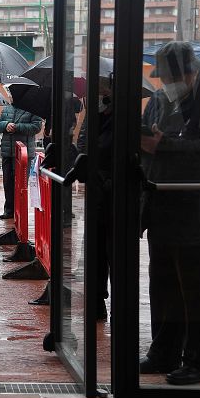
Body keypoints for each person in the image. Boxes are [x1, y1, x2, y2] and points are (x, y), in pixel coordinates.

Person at [138, 41, 200, 385]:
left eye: (170, 76)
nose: (165, 82)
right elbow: (145, 137)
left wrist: (163, 145)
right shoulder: (160, 99)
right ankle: (164, 351)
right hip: (164, 208)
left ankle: (199, 362)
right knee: (164, 285)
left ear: (189, 72)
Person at [76, 75, 115, 320]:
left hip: (113, 194)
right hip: (96, 194)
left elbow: (107, 149)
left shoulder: (120, 118)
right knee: (94, 250)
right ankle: (96, 299)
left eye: (99, 91)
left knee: (112, 250)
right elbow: (82, 144)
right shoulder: (94, 117)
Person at [0, 97, 43, 220]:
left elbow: (36, 127)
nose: (11, 96)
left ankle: (20, 210)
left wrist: (17, 127)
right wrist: (6, 125)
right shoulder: (7, 108)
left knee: (20, 184)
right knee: (8, 182)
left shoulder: (33, 108)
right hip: (7, 152)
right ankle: (9, 210)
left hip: (23, 154)